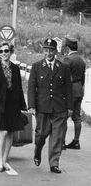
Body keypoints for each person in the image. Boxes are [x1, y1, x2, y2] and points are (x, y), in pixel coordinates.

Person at [28, 38, 73, 174]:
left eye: (51, 50)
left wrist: (70, 107)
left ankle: (54, 163)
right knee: (41, 134)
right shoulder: (36, 67)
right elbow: (31, 88)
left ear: (55, 51)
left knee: (57, 136)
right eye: (46, 50)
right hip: (42, 107)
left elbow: (68, 89)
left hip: (60, 107)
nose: (48, 53)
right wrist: (32, 105)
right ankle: (38, 150)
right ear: (43, 51)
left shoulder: (63, 68)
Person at [0, 42, 27, 172]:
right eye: (1, 51)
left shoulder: (15, 68)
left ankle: (4, 158)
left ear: (11, 52)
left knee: (11, 133)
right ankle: (0, 161)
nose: (4, 53)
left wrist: (23, 105)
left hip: (13, 103)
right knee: (3, 131)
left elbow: (19, 88)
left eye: (6, 51)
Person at [62, 37, 86, 150]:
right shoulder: (81, 60)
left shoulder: (67, 59)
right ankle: (76, 141)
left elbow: (63, 77)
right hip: (79, 90)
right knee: (77, 117)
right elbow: (83, 78)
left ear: (67, 47)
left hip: (69, 91)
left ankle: (61, 141)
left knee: (64, 116)